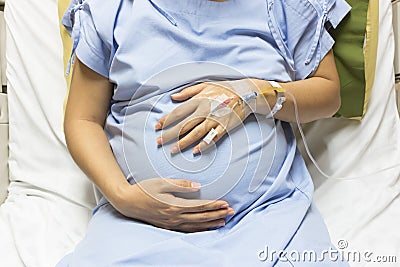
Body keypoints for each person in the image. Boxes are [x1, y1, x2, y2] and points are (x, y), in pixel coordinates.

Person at [58, 0, 351, 265]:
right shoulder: (114, 9)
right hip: (138, 224)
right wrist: (122, 196)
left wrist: (254, 94)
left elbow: (328, 92)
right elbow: (82, 119)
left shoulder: (284, 7)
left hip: (269, 217)